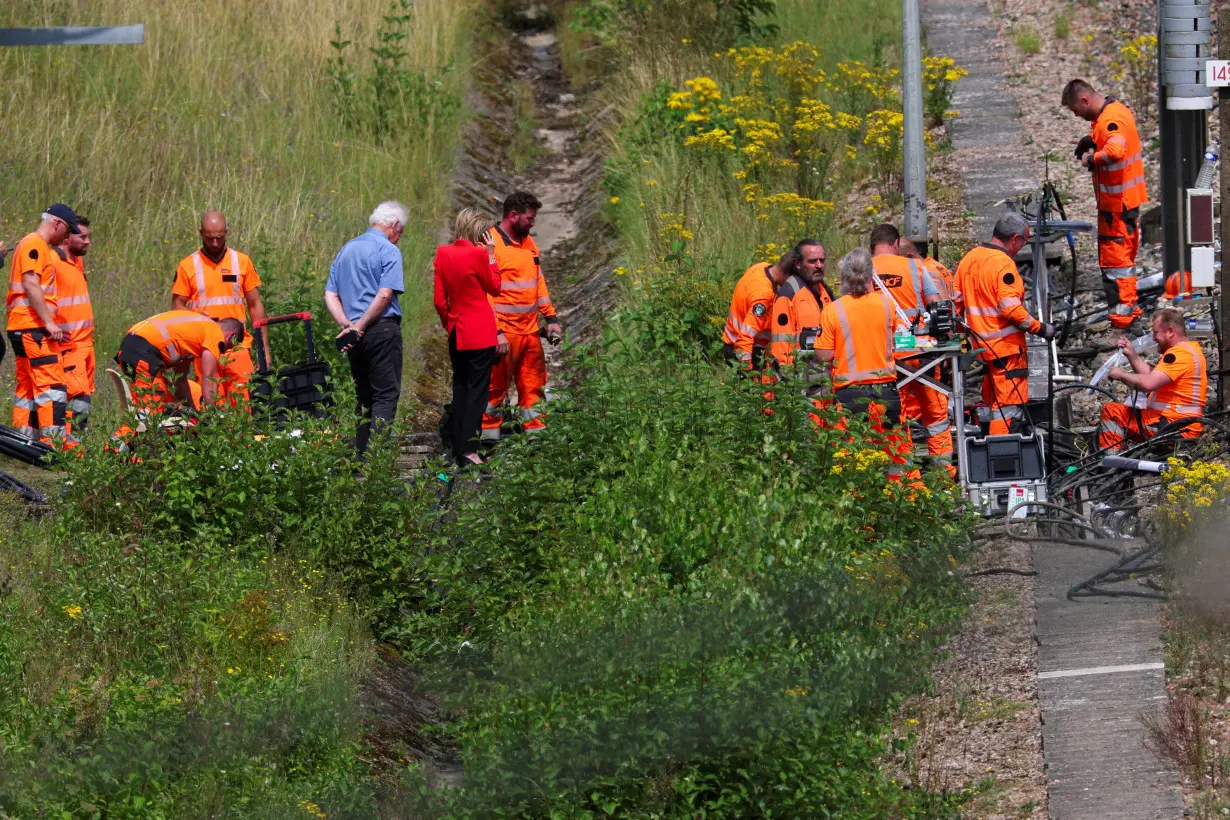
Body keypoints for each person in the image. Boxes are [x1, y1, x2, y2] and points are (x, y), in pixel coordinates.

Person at [954, 213, 1058, 435]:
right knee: (1007, 408)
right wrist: (1041, 328)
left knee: (993, 405)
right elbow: (1011, 309)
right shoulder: (1003, 264)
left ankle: (989, 452)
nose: (1023, 246)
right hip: (1006, 349)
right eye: (1024, 241)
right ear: (1014, 238)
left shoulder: (969, 259)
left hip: (984, 349)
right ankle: (1003, 458)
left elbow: (956, 304)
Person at [816, 247, 912, 481]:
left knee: (853, 459)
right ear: (871, 276)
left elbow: (824, 355)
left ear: (844, 277)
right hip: (886, 393)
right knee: (894, 457)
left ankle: (860, 511)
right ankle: (899, 506)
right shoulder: (887, 306)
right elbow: (900, 338)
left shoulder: (833, 310)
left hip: (850, 396)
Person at [1062, 79, 1148, 330]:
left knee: (1115, 263)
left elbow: (1116, 149)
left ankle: (1122, 318)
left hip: (1116, 206)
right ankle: (1130, 310)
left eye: (1075, 109)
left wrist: (1092, 159)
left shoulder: (1111, 120)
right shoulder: (1115, 111)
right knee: (1125, 260)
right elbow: (1109, 135)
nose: (1076, 115)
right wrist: (1091, 139)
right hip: (1126, 203)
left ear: (1085, 100)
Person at [325, 201, 408, 455]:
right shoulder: (389, 250)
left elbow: (330, 294)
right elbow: (384, 295)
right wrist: (360, 325)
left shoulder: (347, 249)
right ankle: (377, 461)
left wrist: (348, 326)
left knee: (364, 396)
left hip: (354, 337)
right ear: (394, 225)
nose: (399, 238)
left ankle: (360, 456)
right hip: (381, 330)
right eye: (400, 232)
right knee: (385, 395)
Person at [869, 223, 953, 472]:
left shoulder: (864, 271)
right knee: (936, 418)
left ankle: (905, 483)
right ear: (896, 245)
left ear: (871, 245)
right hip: (923, 354)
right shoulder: (915, 267)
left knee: (895, 419)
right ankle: (943, 478)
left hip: (885, 358)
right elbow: (938, 306)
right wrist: (947, 343)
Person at [481, 192, 562, 442]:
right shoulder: (489, 244)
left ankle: (536, 436)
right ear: (513, 215)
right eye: (529, 218)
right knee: (495, 388)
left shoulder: (529, 244)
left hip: (529, 332)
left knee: (533, 386)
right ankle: (487, 439)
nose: (532, 222)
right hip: (504, 334)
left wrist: (551, 319)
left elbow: (538, 283)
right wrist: (495, 332)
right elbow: (486, 294)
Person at [172, 211, 268, 404]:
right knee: (212, 401)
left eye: (219, 238)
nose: (215, 243)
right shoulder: (188, 265)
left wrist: (264, 348)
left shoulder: (241, 261)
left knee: (244, 400)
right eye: (209, 238)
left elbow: (255, 305)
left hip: (237, 346)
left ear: (227, 232)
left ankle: (243, 434)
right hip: (205, 348)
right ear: (200, 233)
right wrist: (195, 317)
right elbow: (177, 307)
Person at [6, 205, 80, 445]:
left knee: (27, 385)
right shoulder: (35, 243)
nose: (68, 237)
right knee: (51, 385)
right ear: (57, 223)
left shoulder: (33, 245)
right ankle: (52, 447)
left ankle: (22, 442)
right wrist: (49, 323)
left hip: (23, 326)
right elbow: (30, 283)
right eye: (67, 230)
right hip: (33, 327)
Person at [433, 207, 501, 467]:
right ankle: (470, 449)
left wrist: (449, 324)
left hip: (456, 330)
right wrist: (492, 256)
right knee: (477, 392)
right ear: (482, 234)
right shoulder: (479, 255)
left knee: (460, 388)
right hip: (480, 332)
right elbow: (495, 286)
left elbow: (440, 301)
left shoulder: (443, 253)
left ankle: (458, 447)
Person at [1097, 308, 1207, 451]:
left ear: (1170, 331)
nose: (1153, 338)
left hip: (1173, 427)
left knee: (1111, 412)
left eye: (1156, 333)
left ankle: (1111, 464)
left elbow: (1149, 383)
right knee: (1122, 413)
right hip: (1176, 424)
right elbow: (1153, 376)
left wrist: (1121, 375)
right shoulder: (1188, 350)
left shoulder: (1180, 355)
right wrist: (1132, 354)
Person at [115, 310, 245, 411]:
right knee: (150, 414)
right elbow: (209, 379)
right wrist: (212, 417)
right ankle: (114, 446)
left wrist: (193, 412)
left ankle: (121, 444)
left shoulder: (197, 332)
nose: (222, 351)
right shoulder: (215, 333)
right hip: (145, 353)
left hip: (131, 347)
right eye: (227, 347)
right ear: (231, 336)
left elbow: (179, 380)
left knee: (145, 412)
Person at [52, 217, 95, 430]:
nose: (87, 242)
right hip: (70, 345)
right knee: (76, 395)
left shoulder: (77, 261)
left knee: (84, 396)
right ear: (67, 238)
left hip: (85, 343)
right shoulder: (53, 261)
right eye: (83, 237)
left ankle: (77, 447)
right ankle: (71, 447)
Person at [722, 252, 794, 370]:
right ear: (785, 273)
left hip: (731, 341)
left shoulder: (761, 267)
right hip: (745, 352)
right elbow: (745, 337)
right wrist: (746, 372)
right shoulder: (764, 296)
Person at [767, 241, 830, 370]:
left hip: (823, 375)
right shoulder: (788, 294)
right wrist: (787, 380)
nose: (819, 265)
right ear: (798, 264)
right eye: (812, 261)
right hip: (799, 378)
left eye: (822, 260)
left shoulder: (825, 291)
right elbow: (781, 345)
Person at [899, 238, 959, 305]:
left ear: (909, 256)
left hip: (952, 313)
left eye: (898, 259)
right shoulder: (932, 263)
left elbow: (941, 307)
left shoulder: (927, 273)